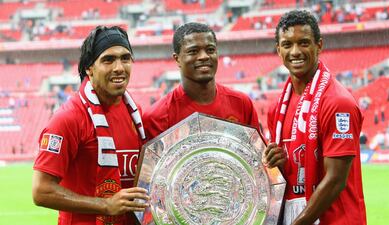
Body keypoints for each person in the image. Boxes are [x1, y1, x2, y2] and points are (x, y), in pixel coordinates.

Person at [32, 26, 150, 225]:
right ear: (89, 68)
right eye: (108, 60)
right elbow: (41, 191)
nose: (119, 67)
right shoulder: (68, 119)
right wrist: (105, 205)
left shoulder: (134, 112)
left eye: (125, 58)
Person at [263, 10, 366, 225]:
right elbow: (286, 177)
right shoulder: (276, 110)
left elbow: (335, 180)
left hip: (335, 220)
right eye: (287, 44)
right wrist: (277, 164)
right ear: (278, 50)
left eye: (303, 43)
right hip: (296, 216)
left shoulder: (339, 103)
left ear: (319, 45)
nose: (295, 52)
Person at [143, 22, 260, 140]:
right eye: (193, 51)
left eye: (210, 50)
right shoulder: (157, 117)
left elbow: (257, 155)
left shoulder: (242, 104)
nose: (204, 56)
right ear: (177, 59)